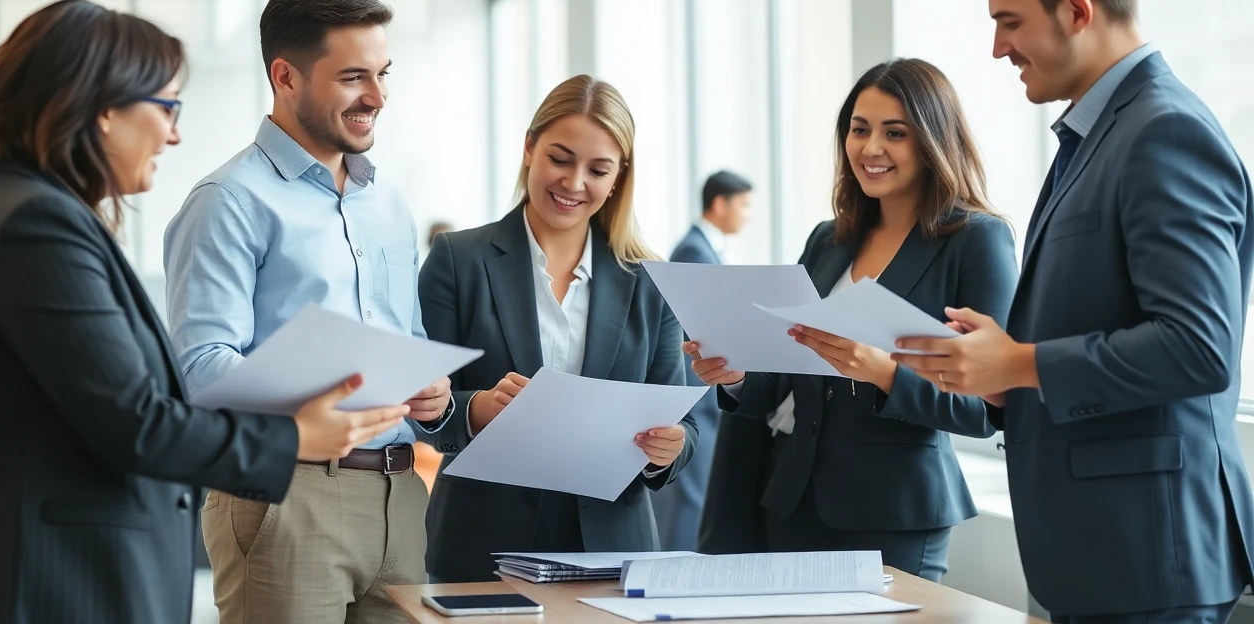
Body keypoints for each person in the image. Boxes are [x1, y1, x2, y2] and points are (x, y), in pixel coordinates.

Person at [0, 0, 409, 624]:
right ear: (100, 110)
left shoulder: (32, 212)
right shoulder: (36, 226)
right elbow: (135, 419)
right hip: (45, 581)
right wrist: (293, 436)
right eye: (167, 108)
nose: (173, 134)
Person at [895, 0, 1254, 623]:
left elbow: (1199, 346)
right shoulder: (1101, 136)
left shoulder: (1165, 134)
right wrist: (999, 374)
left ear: (1078, 11)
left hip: (1150, 559)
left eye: (1009, 21)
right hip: (1107, 553)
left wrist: (1020, 363)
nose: (998, 48)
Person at [164, 0, 453, 624]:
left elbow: (405, 341)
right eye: (353, 77)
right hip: (288, 497)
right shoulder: (229, 202)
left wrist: (430, 396)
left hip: (401, 496)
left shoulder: (389, 205)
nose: (376, 97)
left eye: (382, 74)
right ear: (286, 76)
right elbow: (199, 368)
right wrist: (311, 403)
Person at [691, 58, 1017, 581]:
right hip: (794, 504)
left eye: (895, 133)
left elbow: (989, 406)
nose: (870, 148)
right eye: (859, 130)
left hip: (895, 512)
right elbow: (784, 374)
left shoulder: (976, 240)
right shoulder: (829, 239)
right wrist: (736, 375)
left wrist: (886, 373)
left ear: (933, 140)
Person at [418, 74, 698, 582]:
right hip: (481, 544)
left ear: (618, 178)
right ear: (530, 147)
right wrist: (476, 409)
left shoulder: (650, 282)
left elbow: (682, 422)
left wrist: (670, 448)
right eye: (560, 158)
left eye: (598, 169)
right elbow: (420, 405)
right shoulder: (458, 261)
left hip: (613, 550)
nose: (573, 184)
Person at [653, 170, 754, 552]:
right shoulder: (695, 251)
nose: (748, 215)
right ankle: (679, 569)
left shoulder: (701, 248)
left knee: (696, 494)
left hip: (707, 387)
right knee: (692, 495)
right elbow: (709, 323)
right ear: (719, 203)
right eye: (744, 205)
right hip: (699, 391)